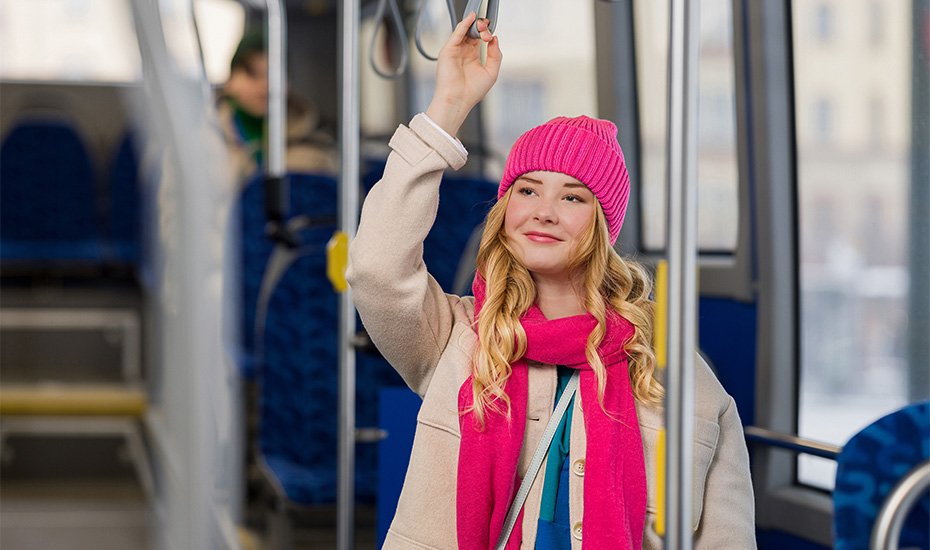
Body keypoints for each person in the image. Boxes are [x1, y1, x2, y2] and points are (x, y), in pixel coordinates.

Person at [347, 12, 755, 549]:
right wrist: (448, 107)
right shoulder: (459, 339)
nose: (543, 211)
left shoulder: (668, 369)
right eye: (527, 190)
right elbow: (376, 268)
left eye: (572, 197)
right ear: (505, 208)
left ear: (602, 225)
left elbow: (724, 538)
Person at [219, 30, 337, 184]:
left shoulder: (317, 148)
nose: (265, 85)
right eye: (253, 73)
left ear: (288, 83)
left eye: (274, 74)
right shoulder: (201, 142)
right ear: (230, 82)